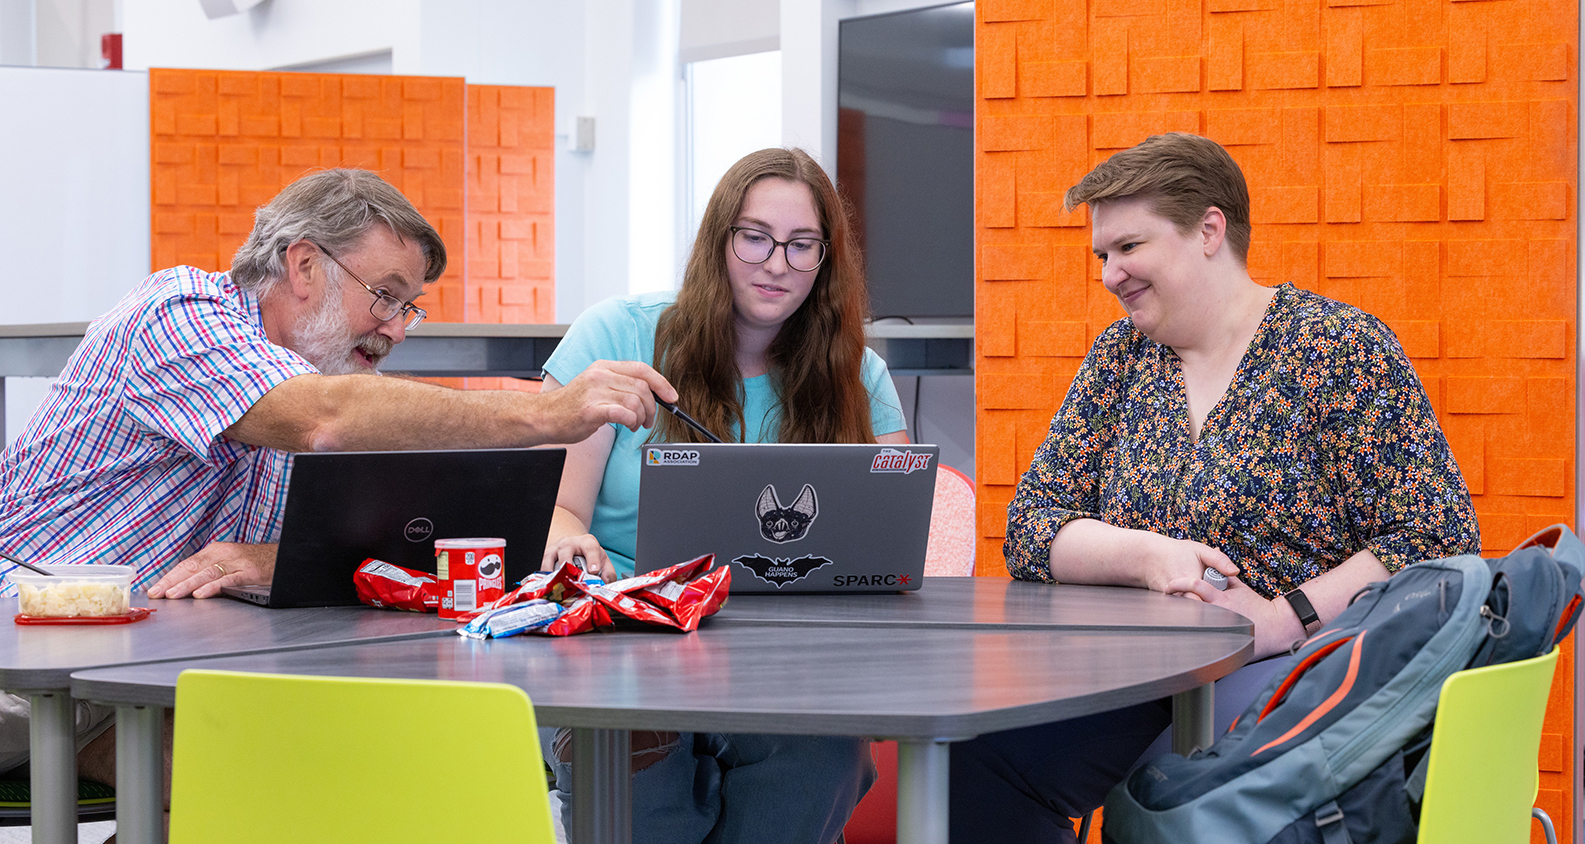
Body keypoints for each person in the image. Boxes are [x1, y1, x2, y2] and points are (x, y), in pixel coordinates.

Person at [0, 168, 675, 797]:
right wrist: (545, 412)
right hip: (28, 657)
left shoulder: (336, 385)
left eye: (410, 307)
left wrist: (265, 560)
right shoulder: (178, 314)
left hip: (139, 673)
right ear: (301, 264)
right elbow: (325, 421)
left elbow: (397, 542)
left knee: (362, 772)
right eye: (384, 295)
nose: (395, 329)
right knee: (294, 783)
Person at [948, 133, 1480, 843]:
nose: (1109, 274)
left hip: (1293, 666)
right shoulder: (1119, 358)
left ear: (1207, 229)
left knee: (1172, 802)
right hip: (1136, 676)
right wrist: (1146, 556)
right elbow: (1033, 528)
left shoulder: (1335, 348)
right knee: (977, 770)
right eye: (1102, 255)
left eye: (1128, 247)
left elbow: (1434, 539)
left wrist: (1279, 619)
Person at [537, 147, 907, 843]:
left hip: (782, 658)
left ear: (826, 260)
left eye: (802, 246)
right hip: (618, 646)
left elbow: (886, 538)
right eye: (755, 237)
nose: (776, 264)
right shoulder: (618, 334)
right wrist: (566, 544)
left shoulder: (861, 376)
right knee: (632, 778)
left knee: (819, 762)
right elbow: (554, 508)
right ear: (719, 240)